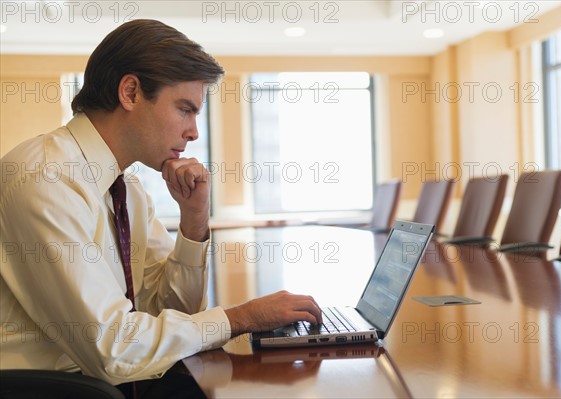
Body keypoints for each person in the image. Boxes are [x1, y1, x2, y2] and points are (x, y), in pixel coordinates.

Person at [0, 19, 322, 387]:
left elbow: (172, 312)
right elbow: (115, 348)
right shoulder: (45, 179)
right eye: (185, 109)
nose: (194, 131)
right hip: (53, 390)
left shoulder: (127, 190)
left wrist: (195, 218)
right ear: (131, 92)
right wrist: (238, 319)